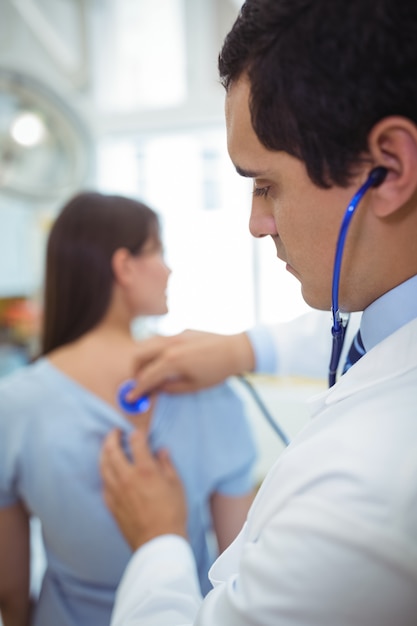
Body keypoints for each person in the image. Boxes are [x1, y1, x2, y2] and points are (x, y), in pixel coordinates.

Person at [100, 1, 417, 624]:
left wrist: (158, 539)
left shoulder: (369, 487)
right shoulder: (387, 316)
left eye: (265, 184)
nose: (255, 223)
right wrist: (241, 350)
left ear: (391, 167)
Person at [0, 192, 257, 626]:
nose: (168, 269)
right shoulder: (211, 391)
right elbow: (240, 571)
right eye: (158, 251)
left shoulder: (15, 404)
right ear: (124, 267)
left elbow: (9, 589)